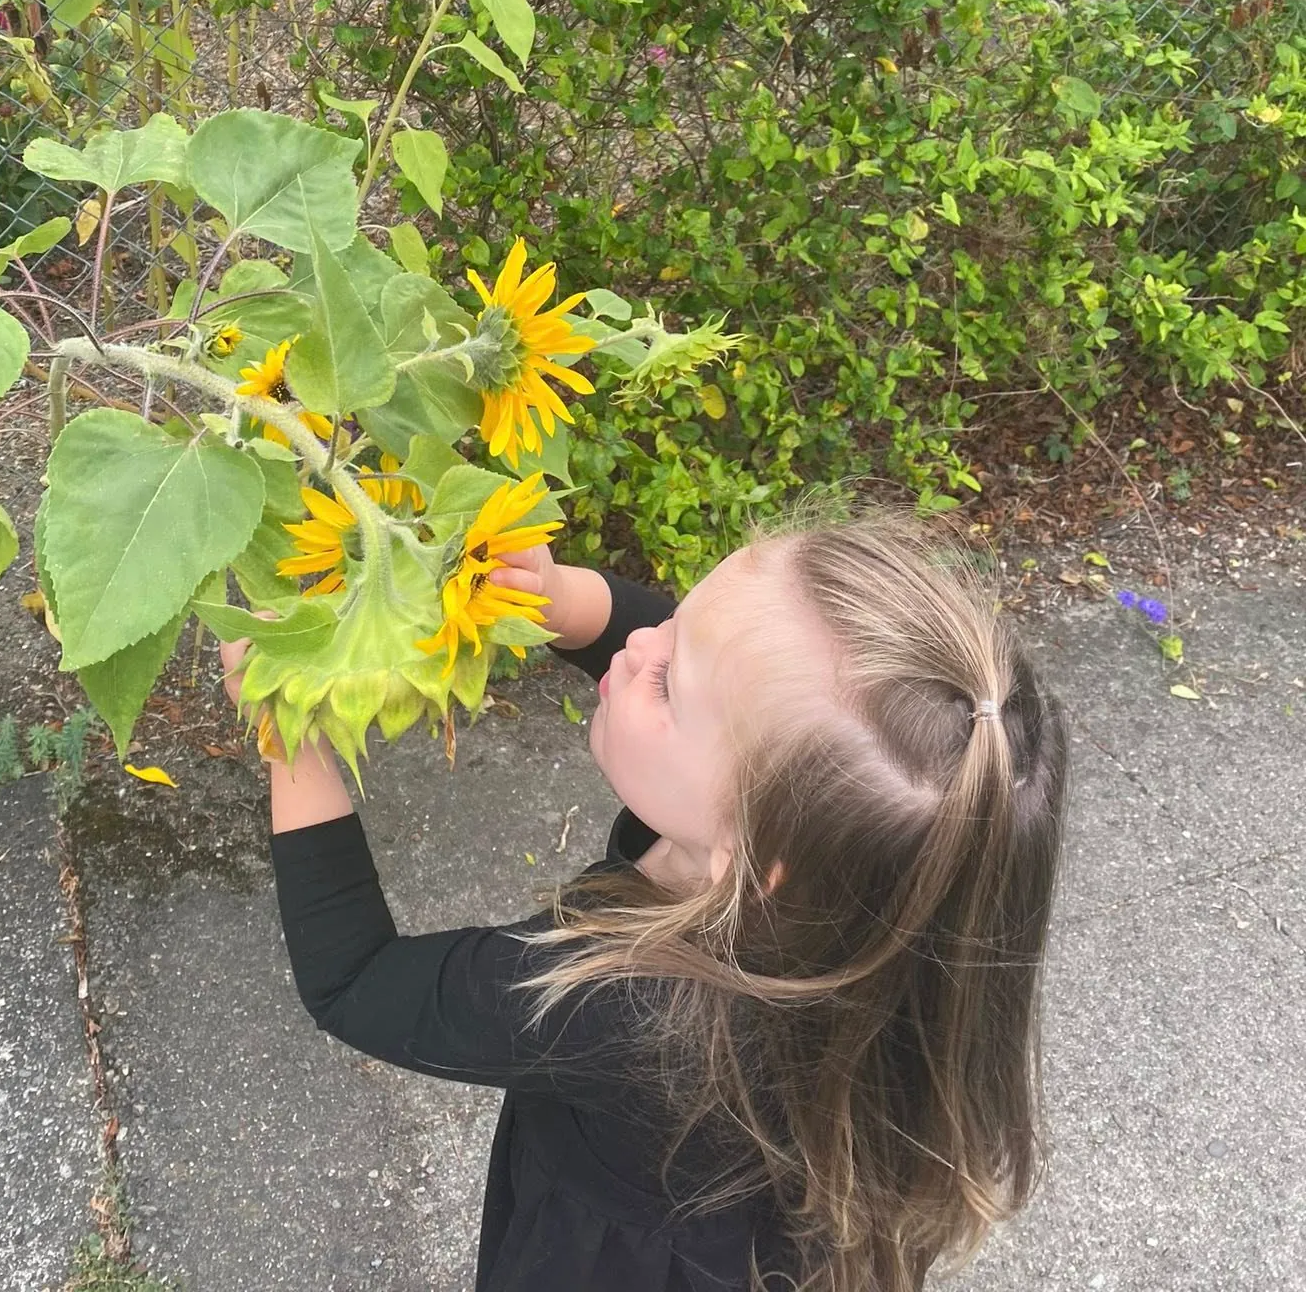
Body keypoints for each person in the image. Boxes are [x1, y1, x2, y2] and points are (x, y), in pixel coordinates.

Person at [219, 495, 1070, 1292]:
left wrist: (285, 728)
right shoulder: (881, 901)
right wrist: (557, 599)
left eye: (665, 681)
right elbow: (694, 665)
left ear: (754, 852)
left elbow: (354, 981)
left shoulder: (618, 1008)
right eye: (673, 621)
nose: (639, 647)